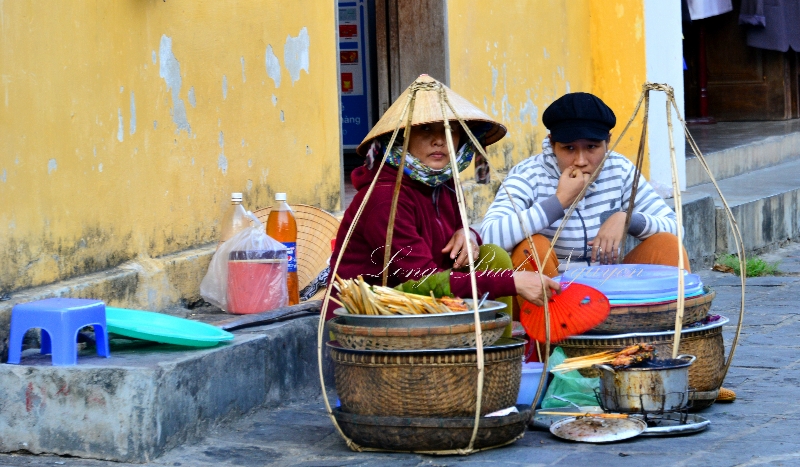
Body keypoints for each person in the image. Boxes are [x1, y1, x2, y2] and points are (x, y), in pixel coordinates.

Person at [325, 75, 560, 321]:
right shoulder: (385, 198)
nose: (439, 140)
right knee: (500, 277)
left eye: (449, 131)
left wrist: (468, 234)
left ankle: (491, 354)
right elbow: (421, 282)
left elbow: (452, 246)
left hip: (421, 302)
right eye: (425, 129)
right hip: (372, 314)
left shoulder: (443, 183)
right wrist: (511, 282)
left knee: (493, 256)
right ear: (401, 138)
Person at [480, 92, 689, 279]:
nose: (580, 160)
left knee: (668, 245)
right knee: (532, 247)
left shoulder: (619, 169)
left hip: (608, 289)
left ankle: (667, 319)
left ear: (608, 141)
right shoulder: (529, 174)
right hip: (551, 295)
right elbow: (488, 238)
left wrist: (627, 219)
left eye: (592, 147)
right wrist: (559, 201)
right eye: (568, 148)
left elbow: (675, 228)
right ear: (552, 143)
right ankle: (546, 321)